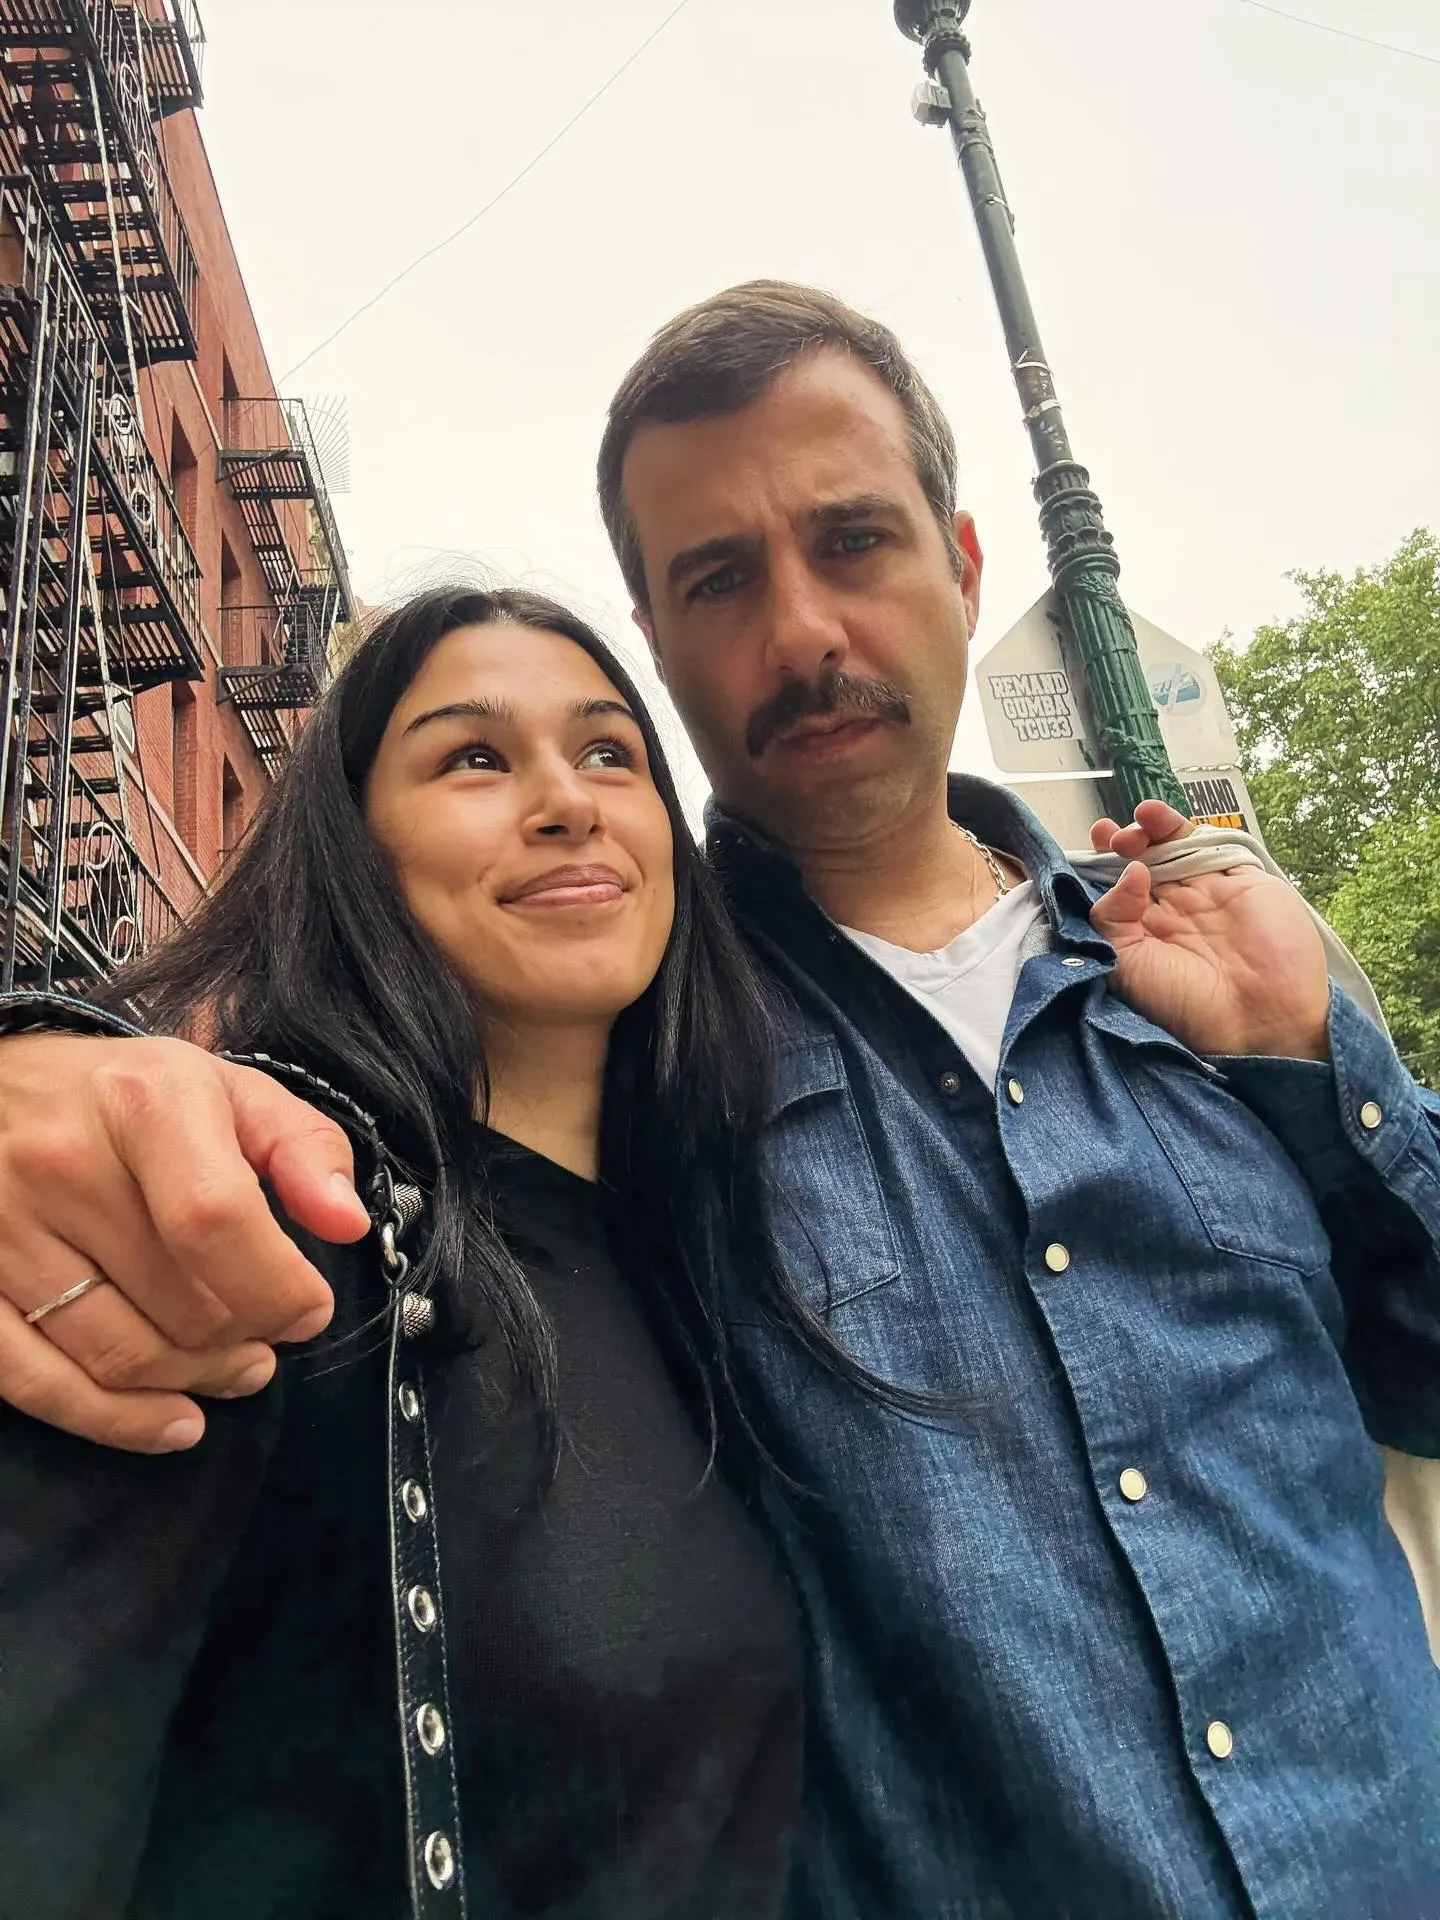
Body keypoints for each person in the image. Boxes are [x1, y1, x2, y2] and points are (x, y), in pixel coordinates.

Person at [1, 283, 1438, 1919]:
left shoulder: (1223, 993)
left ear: (964, 566)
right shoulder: (645, 1067)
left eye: (854, 541)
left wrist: (1324, 1068)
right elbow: (321, 1093)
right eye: (720, 580)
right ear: (663, 641)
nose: (805, 631)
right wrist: (43, 1059)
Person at [0, 582, 836, 1920]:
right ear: (357, 847)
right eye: (474, 759)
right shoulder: (267, 1227)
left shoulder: (711, 1255)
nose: (566, 802)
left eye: (608, 751)